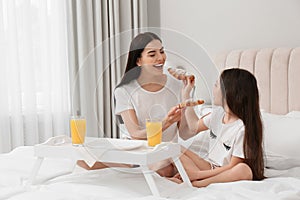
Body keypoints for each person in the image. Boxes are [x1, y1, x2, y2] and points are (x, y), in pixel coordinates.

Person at [78, 32, 192, 174]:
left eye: (162, 51)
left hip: (162, 152)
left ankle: (132, 167)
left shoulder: (176, 85)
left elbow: (185, 133)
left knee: (165, 169)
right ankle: (131, 164)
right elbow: (135, 134)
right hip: (134, 149)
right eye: (152, 54)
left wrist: (187, 96)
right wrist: (166, 122)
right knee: (82, 161)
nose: (160, 58)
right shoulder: (124, 90)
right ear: (138, 61)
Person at [169, 68, 265, 187]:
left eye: (216, 86)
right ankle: (191, 179)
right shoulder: (217, 114)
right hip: (209, 166)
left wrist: (198, 175)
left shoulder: (242, 128)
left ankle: (196, 183)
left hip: (227, 171)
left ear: (229, 91)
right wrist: (186, 95)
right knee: (172, 147)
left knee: (244, 169)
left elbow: (232, 167)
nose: (213, 90)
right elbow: (193, 126)